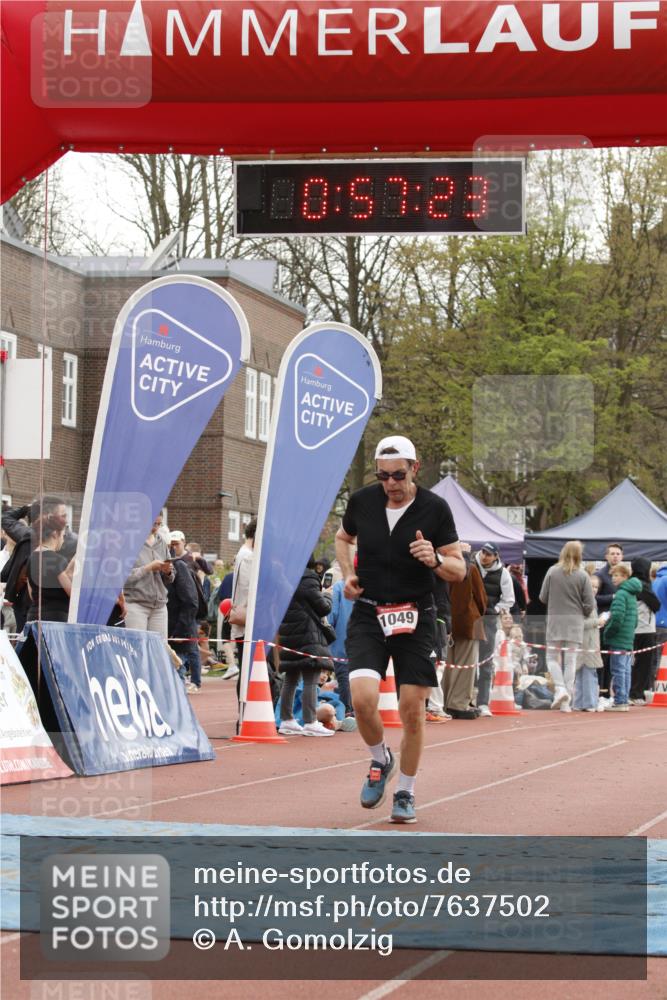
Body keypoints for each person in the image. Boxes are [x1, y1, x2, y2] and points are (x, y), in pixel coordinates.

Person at [335, 435, 464, 824]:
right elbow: (343, 538)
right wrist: (348, 574)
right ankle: (380, 760)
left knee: (412, 710)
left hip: (416, 616)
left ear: (415, 469)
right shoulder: (362, 502)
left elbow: (458, 569)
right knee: (361, 700)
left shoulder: (435, 509)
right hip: (370, 613)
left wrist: (435, 557)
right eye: (383, 476)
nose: (390, 483)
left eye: (398, 475)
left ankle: (405, 790)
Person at [277, 558, 335, 737]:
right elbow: (323, 608)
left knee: (291, 677)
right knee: (311, 677)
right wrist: (327, 594)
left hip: (288, 632)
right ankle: (311, 721)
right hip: (308, 633)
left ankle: (286, 720)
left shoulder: (284, 576)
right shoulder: (308, 579)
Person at [539, 540, 596, 712]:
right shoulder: (583, 575)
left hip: (555, 620)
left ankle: (560, 688)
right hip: (575, 622)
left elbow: (542, 597)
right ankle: (566, 703)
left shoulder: (552, 571)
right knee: (570, 662)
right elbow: (589, 603)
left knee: (551, 657)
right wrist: (583, 614)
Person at [443, 542, 487, 720]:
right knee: (465, 666)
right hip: (468, 622)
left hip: (446, 620)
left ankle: (446, 701)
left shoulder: (442, 568)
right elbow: (481, 598)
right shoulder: (470, 569)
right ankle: (459, 703)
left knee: (448, 664)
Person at [473, 543, 514, 717]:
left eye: (488, 554)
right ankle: (463, 699)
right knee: (467, 660)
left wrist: (494, 610)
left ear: (496, 556)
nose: (484, 556)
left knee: (486, 662)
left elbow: (509, 599)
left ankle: (483, 702)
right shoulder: (470, 564)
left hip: (488, 621)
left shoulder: (503, 574)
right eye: (483, 552)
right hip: (469, 619)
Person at [123, 514, 174, 641]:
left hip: (160, 605)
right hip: (136, 603)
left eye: (159, 524)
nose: (155, 528)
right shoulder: (128, 542)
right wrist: (148, 568)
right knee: (137, 650)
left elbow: (171, 578)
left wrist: (168, 572)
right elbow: (122, 577)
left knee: (159, 651)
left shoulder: (161, 541)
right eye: (153, 523)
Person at [602, 565, 641, 711]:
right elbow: (636, 619)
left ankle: (619, 701)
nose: (613, 578)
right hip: (628, 637)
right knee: (625, 670)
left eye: (617, 575)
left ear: (625, 576)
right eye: (612, 575)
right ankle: (623, 699)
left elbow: (617, 617)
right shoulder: (632, 594)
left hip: (618, 638)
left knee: (618, 670)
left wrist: (609, 632)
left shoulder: (621, 594)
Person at [167, 530, 201, 693]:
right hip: (168, 630)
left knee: (177, 670)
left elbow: (190, 602)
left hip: (177, 631)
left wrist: (180, 631)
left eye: (175, 544)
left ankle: (195, 681)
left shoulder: (180, 566)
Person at [25, 515, 76, 622]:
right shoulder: (57, 560)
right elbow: (73, 594)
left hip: (34, 618)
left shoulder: (30, 558)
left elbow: (31, 594)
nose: (63, 539)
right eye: (63, 535)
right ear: (54, 534)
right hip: (55, 620)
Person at [629, 558, 660, 704]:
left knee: (633, 663)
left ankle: (636, 692)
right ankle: (636, 693)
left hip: (633, 628)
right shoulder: (642, 585)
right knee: (644, 663)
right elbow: (656, 604)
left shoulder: (630, 582)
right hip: (644, 628)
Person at [573, 575, 603, 711]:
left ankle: (579, 703)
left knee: (582, 673)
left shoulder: (590, 601)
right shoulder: (583, 602)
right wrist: (598, 622)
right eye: (592, 586)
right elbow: (578, 623)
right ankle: (589, 703)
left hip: (588, 642)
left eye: (596, 586)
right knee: (589, 673)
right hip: (585, 643)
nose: (594, 589)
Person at [327, 575, 354, 716]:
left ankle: (346, 710)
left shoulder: (339, 586)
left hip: (342, 639)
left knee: (343, 676)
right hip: (364, 640)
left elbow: (332, 615)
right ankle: (357, 710)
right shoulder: (370, 583)